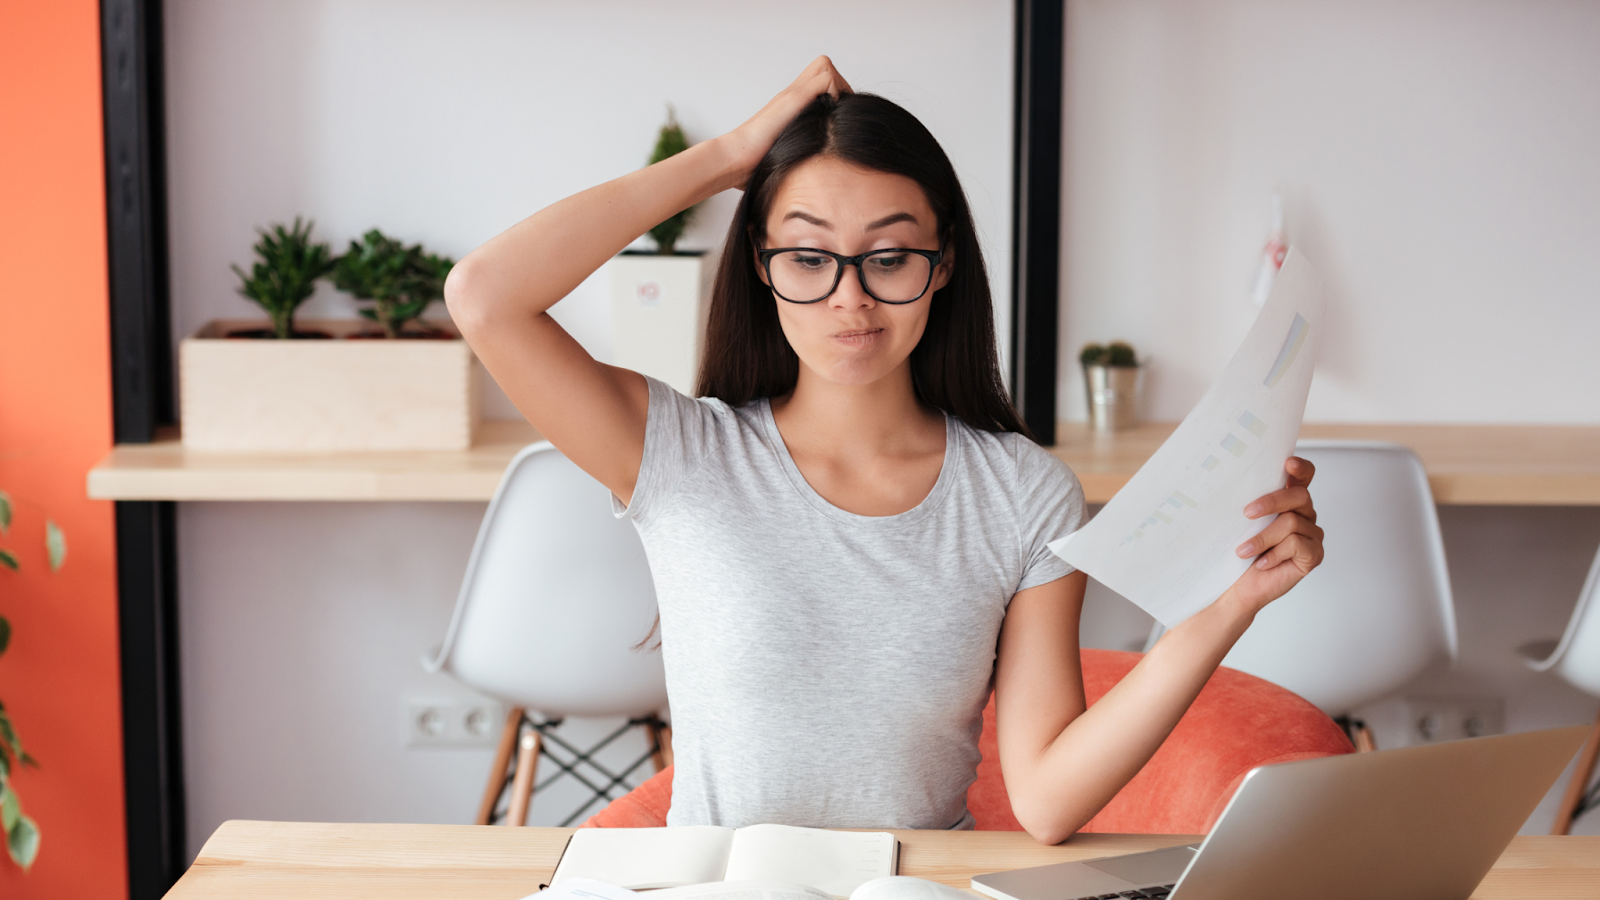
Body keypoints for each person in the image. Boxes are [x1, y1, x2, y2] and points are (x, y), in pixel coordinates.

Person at [445, 57, 1325, 844]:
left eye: (890, 256)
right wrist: (726, 159)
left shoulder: (1022, 494)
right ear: (760, 263)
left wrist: (1229, 603)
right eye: (809, 256)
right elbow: (484, 297)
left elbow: (1051, 798)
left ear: (941, 263)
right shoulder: (681, 453)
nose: (850, 300)